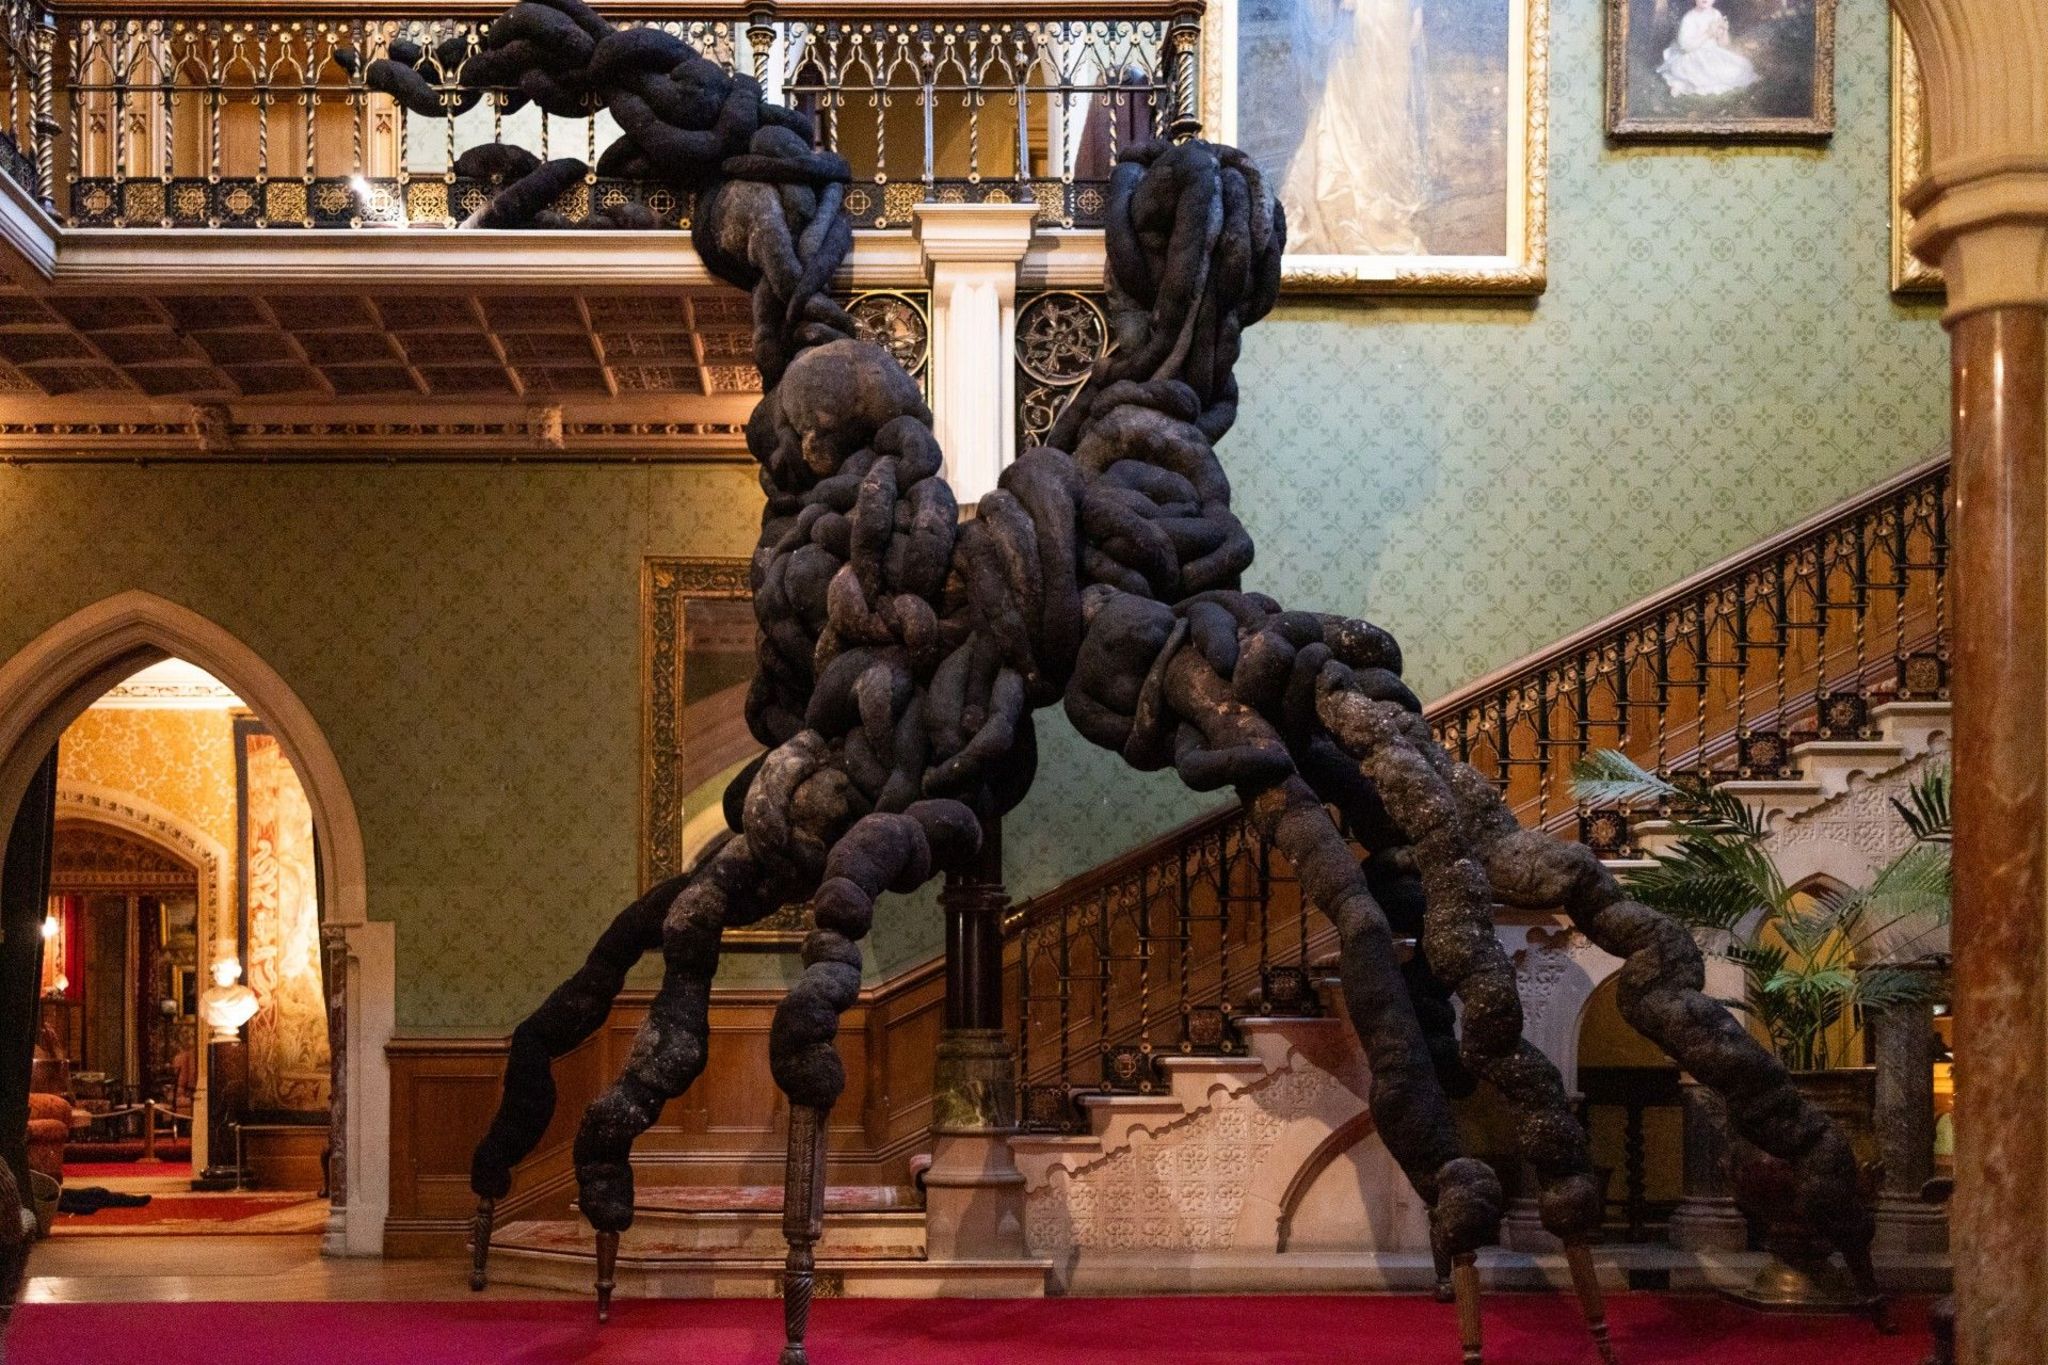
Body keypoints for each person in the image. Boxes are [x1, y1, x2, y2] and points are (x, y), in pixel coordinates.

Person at [1279, 0, 1428, 257]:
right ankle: (1349, 200)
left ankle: (1382, 202)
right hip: (1365, 13)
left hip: (1395, 13)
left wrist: (1416, 8)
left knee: (1390, 101)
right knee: (1353, 96)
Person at [1657, 0, 1759, 98]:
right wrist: (1709, 33)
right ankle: (1680, 84)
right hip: (1692, 56)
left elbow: (1724, 45)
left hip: (1712, 53)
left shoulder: (1716, 14)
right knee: (1699, 72)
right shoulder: (1689, 17)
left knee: (1741, 67)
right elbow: (1686, 47)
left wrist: (1724, 32)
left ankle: (1686, 83)